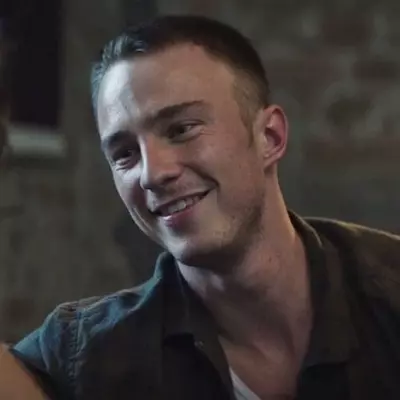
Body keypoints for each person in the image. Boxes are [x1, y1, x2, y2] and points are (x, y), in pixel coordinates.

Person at [8, 15, 400, 400]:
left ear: (269, 136)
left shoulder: (386, 292)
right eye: (125, 153)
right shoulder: (88, 354)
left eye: (181, 129)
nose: (152, 174)